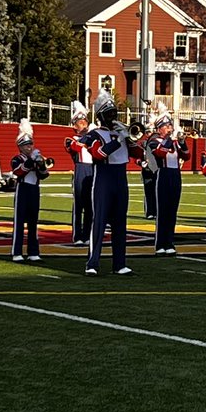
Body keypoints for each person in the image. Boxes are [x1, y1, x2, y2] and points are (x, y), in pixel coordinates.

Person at [84, 90, 141, 276]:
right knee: (99, 221)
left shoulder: (121, 133)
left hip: (120, 178)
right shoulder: (95, 134)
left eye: (114, 113)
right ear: (101, 116)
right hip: (103, 178)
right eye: (109, 114)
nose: (113, 117)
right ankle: (92, 263)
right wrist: (118, 139)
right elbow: (98, 154)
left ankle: (120, 263)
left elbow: (139, 153)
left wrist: (129, 138)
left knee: (120, 222)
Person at [147, 106, 190, 255]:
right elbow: (159, 152)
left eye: (170, 125)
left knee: (172, 211)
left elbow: (187, 156)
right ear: (159, 128)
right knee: (162, 211)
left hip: (175, 175)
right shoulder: (154, 141)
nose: (169, 128)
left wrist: (182, 142)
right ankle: (160, 244)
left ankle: (170, 242)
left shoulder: (174, 142)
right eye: (166, 126)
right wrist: (170, 140)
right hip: (162, 175)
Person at [9, 119, 50, 263]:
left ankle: (33, 251)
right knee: (19, 222)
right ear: (20, 147)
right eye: (26, 145)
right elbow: (19, 171)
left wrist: (41, 164)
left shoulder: (35, 157)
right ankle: (16, 252)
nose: (29, 147)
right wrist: (31, 161)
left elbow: (44, 175)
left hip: (34, 190)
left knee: (33, 222)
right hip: (23, 190)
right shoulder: (16, 158)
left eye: (30, 144)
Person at [65, 100, 94, 246]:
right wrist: (88, 135)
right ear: (74, 125)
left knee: (90, 204)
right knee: (79, 204)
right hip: (80, 169)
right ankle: (77, 236)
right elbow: (74, 148)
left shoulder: (91, 137)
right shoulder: (71, 139)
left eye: (85, 122)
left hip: (92, 169)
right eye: (81, 123)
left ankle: (88, 233)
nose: (84, 125)